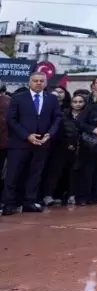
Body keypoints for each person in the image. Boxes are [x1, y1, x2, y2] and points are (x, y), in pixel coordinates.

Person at [3, 73, 62, 215]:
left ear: (46, 83)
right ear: (29, 83)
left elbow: (57, 118)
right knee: (13, 174)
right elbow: (11, 120)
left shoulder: (52, 99)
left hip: (42, 143)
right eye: (35, 81)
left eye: (41, 81)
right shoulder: (18, 98)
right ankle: (8, 204)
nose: (38, 83)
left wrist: (50, 134)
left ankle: (29, 202)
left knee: (35, 174)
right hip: (20, 143)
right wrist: (27, 135)